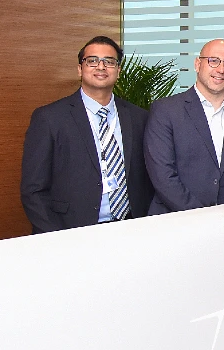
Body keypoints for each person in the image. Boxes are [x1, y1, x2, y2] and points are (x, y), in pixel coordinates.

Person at [21, 36, 152, 232]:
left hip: (130, 228)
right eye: (92, 61)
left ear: (118, 70)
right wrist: (55, 236)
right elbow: (33, 190)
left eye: (109, 62)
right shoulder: (49, 118)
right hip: (70, 231)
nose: (101, 67)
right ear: (80, 69)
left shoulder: (139, 117)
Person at [144, 38, 224, 213]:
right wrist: (203, 218)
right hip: (174, 223)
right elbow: (163, 176)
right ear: (197, 64)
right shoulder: (165, 111)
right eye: (213, 61)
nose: (221, 69)